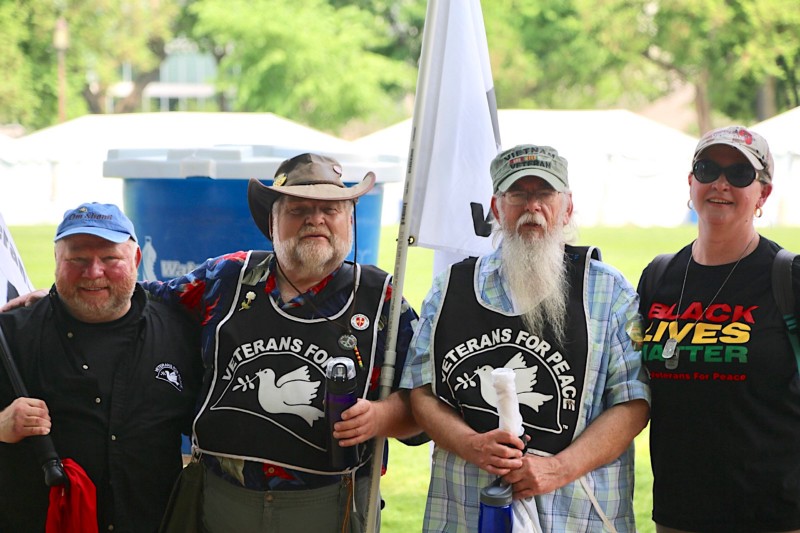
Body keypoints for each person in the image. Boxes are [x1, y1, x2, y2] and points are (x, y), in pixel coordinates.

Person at [141, 153, 420, 532]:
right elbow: (140, 303)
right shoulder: (226, 278)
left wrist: (380, 417)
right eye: (298, 209)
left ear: (350, 220)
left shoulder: (382, 298)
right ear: (271, 222)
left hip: (330, 504)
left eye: (330, 209)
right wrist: (53, 298)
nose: (314, 219)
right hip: (222, 499)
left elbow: (424, 400)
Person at [401, 144, 651, 532]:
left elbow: (632, 402)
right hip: (467, 512)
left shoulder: (607, 291)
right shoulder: (451, 289)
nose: (532, 207)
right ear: (496, 208)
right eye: (517, 194)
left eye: (545, 194)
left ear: (567, 208)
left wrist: (556, 469)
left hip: (578, 515)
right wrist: (469, 443)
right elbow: (421, 390)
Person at [0, 202, 202, 532]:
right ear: (56, 261)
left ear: (136, 259)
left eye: (110, 259)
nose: (93, 272)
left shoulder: (180, 332)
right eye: (77, 259)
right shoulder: (10, 338)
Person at [638, 126, 800, 533]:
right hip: (679, 515)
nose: (720, 184)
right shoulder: (659, 277)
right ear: (690, 182)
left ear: (763, 194)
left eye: (740, 175)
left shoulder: (789, 277)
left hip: (776, 516)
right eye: (708, 169)